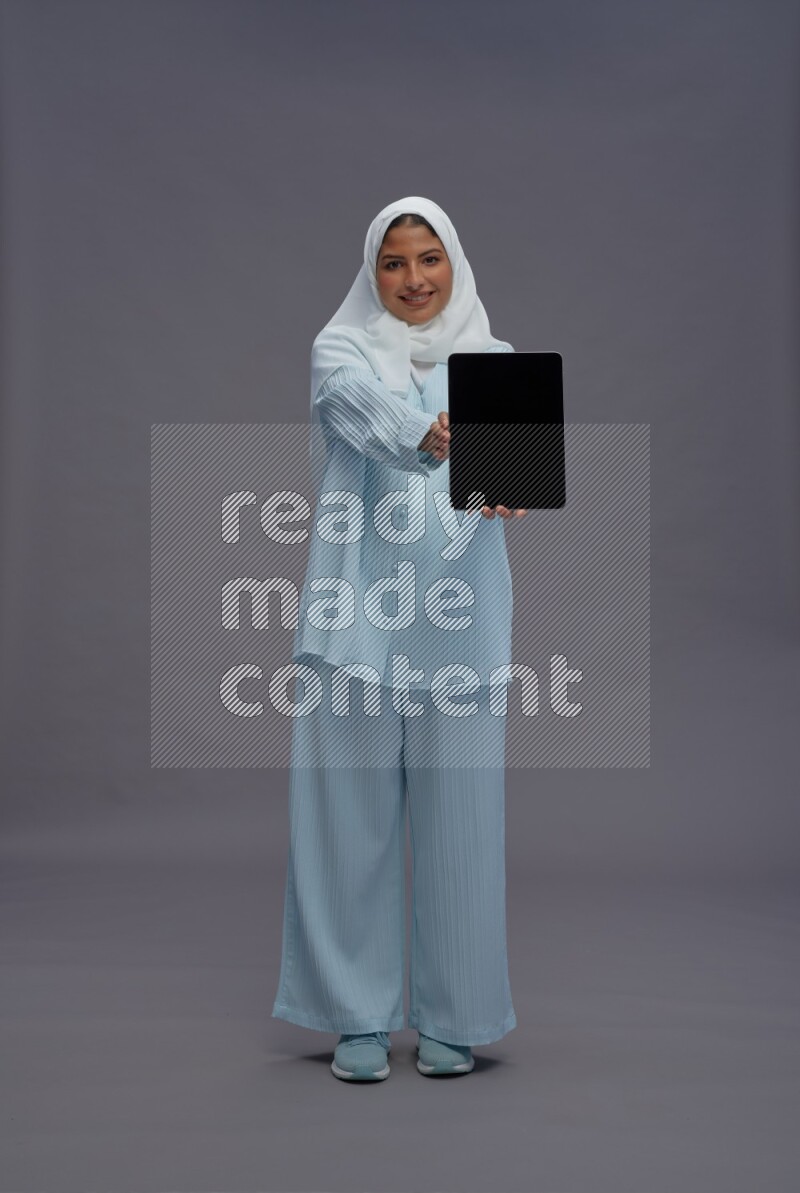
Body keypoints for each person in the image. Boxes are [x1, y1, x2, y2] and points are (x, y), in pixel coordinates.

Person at [271, 196, 527, 1081]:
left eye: (430, 259)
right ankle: (357, 1016)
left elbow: (510, 482)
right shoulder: (340, 349)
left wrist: (512, 482)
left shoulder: (495, 365)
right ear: (370, 273)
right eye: (393, 262)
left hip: (461, 623)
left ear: (454, 263)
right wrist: (422, 433)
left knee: (463, 824)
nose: (413, 279)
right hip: (355, 624)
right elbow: (348, 405)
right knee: (347, 819)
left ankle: (456, 1013)